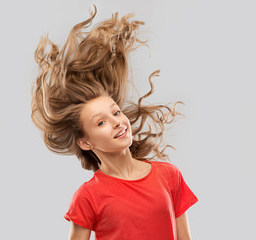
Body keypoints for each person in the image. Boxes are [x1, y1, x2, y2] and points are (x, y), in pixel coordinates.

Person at [31, 4, 198, 240]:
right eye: (101, 123)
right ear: (85, 143)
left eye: (116, 113)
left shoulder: (170, 176)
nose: (117, 122)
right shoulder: (87, 197)